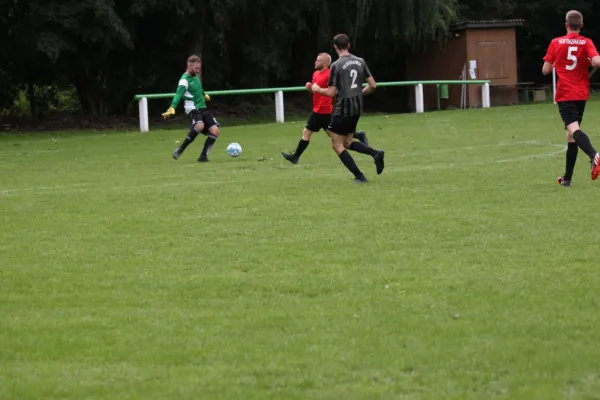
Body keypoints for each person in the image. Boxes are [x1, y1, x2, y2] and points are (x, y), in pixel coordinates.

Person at [311, 34, 384, 183]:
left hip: (342, 108)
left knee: (337, 145)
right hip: (357, 108)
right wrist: (359, 94)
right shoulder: (361, 61)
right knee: (348, 141)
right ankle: (376, 154)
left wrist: (317, 89)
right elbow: (373, 85)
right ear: (349, 45)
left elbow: (331, 92)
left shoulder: (336, 65)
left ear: (335, 47)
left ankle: (359, 176)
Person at [542, 10, 600, 186]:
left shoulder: (556, 42)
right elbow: (597, 62)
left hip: (566, 93)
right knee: (571, 135)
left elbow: (545, 70)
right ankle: (567, 178)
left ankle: (594, 155)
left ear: (566, 25)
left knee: (573, 129)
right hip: (581, 93)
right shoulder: (586, 42)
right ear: (581, 26)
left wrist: (555, 62)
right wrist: (590, 62)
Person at [282, 53, 369, 164]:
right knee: (333, 134)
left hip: (322, 110)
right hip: (321, 110)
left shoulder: (329, 75)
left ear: (324, 63)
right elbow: (316, 89)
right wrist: (310, 87)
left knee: (307, 132)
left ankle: (295, 157)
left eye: (318, 60)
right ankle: (358, 135)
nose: (315, 62)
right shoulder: (315, 74)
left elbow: (334, 91)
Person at [162, 55, 219, 162]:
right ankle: (180, 149)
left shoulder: (195, 77)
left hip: (202, 107)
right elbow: (179, 94)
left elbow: (198, 88)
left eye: (199, 69)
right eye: (196, 68)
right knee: (200, 125)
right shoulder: (184, 80)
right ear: (190, 66)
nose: (198, 71)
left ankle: (203, 157)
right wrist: (172, 106)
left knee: (215, 131)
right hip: (192, 108)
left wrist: (203, 94)